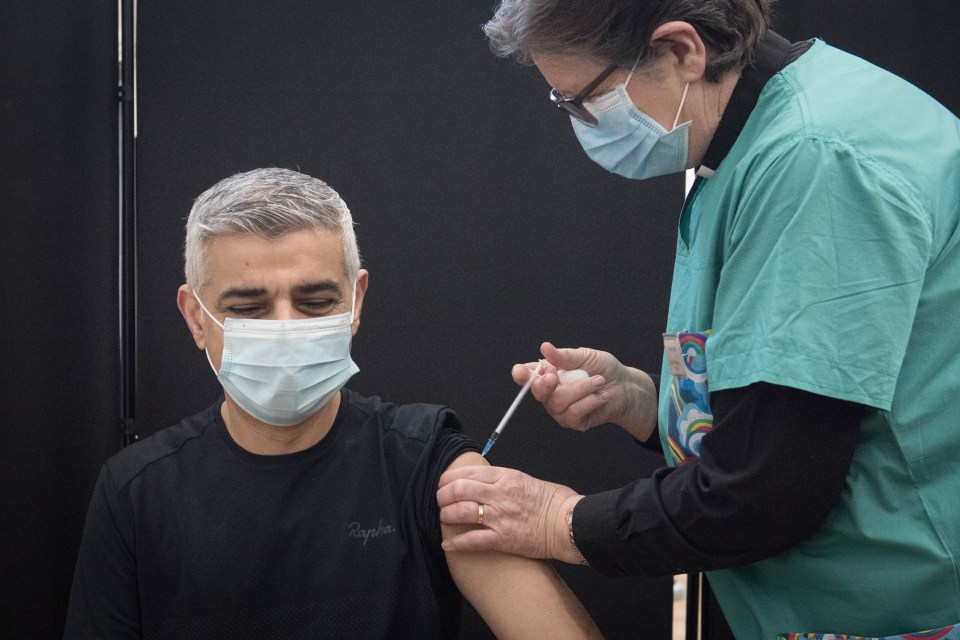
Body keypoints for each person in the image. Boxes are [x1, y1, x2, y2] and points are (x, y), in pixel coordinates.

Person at [437, 1, 960, 639]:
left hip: (909, 602)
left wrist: (560, 519)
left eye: (582, 101)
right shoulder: (746, 145)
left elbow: (768, 488)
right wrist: (644, 404)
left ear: (683, 51)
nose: (579, 122)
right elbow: (802, 402)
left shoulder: (815, 160)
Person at [64, 168, 602, 639]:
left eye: (316, 302)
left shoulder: (427, 465)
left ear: (356, 302)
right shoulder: (136, 493)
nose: (285, 327)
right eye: (248, 307)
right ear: (195, 318)